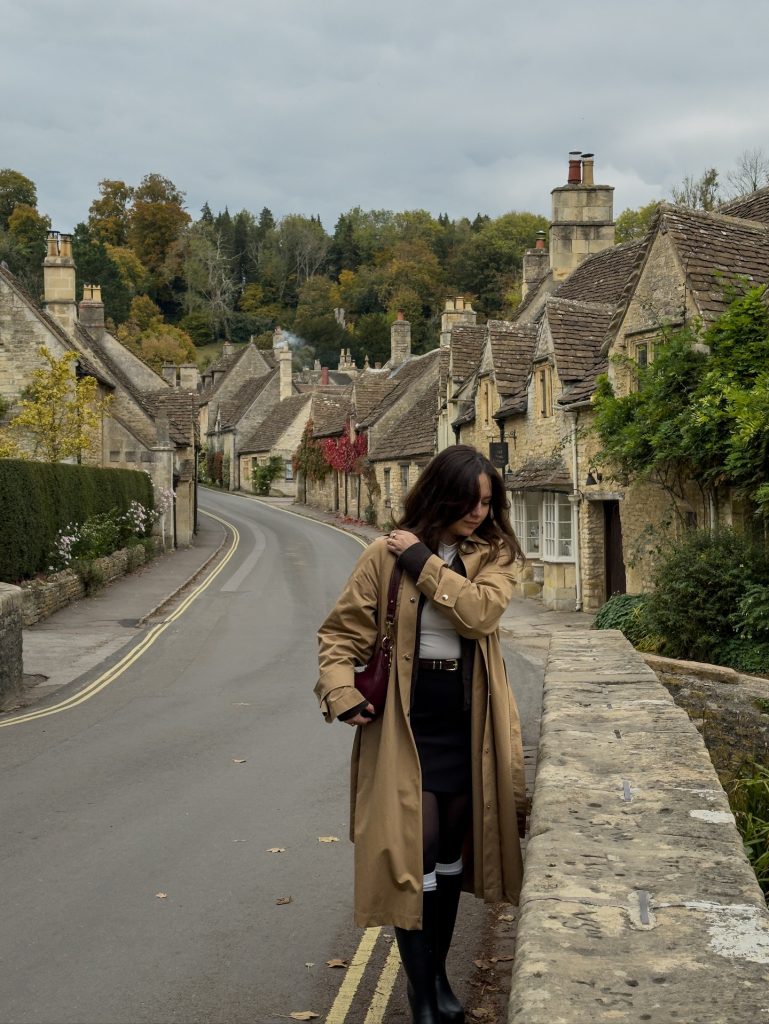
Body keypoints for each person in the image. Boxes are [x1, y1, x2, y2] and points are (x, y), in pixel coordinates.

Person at [315, 445, 527, 1024]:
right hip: (404, 726)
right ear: (441, 494)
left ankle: (436, 979)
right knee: (417, 854)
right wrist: (341, 692)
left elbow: (479, 614)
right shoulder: (382, 556)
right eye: (470, 501)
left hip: (469, 723)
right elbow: (339, 636)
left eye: (488, 502)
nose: (480, 513)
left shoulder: (494, 554)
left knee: (452, 857)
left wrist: (424, 564)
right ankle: (422, 990)